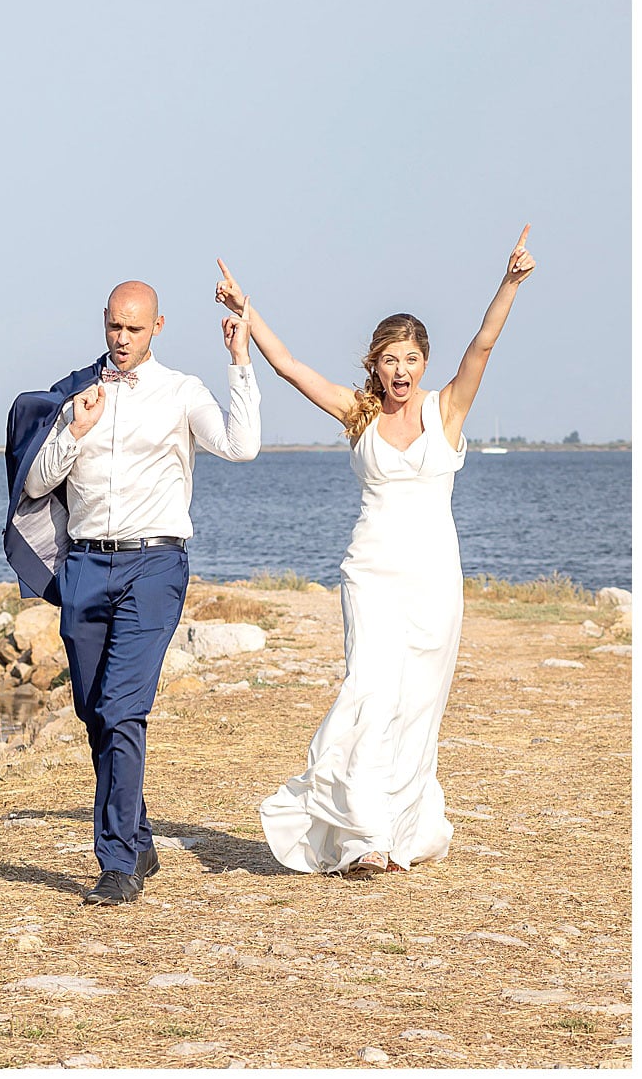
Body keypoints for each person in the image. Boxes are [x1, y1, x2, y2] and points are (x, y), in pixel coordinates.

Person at [221, 227, 537, 877]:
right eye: (390, 359)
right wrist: (245, 309)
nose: (400, 370)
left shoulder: (446, 410)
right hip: (370, 574)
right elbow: (290, 367)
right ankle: (362, 836)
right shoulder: (359, 412)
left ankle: (398, 832)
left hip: (433, 581)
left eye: (411, 359)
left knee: (416, 705)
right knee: (367, 689)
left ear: (424, 363)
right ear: (376, 363)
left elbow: (482, 344)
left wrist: (508, 283)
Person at [6, 280, 262, 906]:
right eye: (115, 327)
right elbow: (35, 484)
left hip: (154, 566)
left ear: (157, 327)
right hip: (85, 566)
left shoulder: (182, 391)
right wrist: (74, 431)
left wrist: (240, 360)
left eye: (134, 329)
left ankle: (117, 862)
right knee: (93, 710)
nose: (122, 339)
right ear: (104, 321)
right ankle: (139, 836)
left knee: (123, 708)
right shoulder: (77, 393)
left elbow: (241, 445)